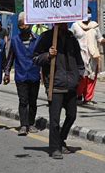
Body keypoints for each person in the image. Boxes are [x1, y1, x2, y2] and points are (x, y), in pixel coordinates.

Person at [33, 23, 84, 159]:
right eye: (61, 22)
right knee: (54, 119)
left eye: (66, 23)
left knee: (72, 115)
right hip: (55, 85)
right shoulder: (47, 37)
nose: (64, 25)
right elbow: (36, 58)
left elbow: (79, 60)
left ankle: (61, 139)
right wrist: (48, 55)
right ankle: (55, 148)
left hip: (71, 85)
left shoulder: (71, 38)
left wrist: (79, 74)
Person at [3, 15, 41, 136]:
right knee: (23, 101)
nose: (25, 27)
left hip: (34, 74)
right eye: (22, 25)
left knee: (33, 101)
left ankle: (31, 122)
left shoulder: (37, 39)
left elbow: (42, 57)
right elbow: (10, 58)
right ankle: (24, 125)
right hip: (21, 75)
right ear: (19, 26)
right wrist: (7, 73)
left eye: (26, 24)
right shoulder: (14, 40)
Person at [71, 10, 105, 105]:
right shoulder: (75, 25)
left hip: (92, 55)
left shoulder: (94, 26)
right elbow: (70, 38)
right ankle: (78, 96)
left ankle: (88, 98)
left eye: (89, 12)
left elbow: (100, 39)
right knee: (81, 77)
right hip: (80, 55)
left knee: (91, 77)